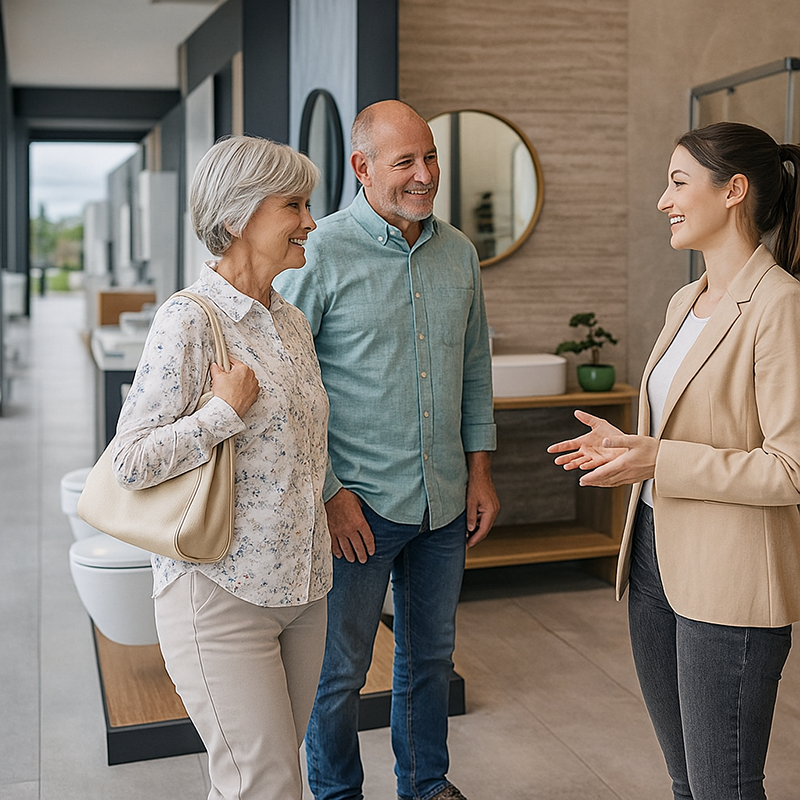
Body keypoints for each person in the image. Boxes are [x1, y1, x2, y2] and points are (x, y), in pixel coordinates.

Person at [548, 121, 800, 799]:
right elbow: (683, 427)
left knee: (724, 786)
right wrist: (630, 447)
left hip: (731, 575)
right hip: (656, 556)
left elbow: (790, 469)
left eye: (679, 182)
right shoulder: (683, 300)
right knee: (686, 782)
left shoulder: (780, 306)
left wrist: (660, 458)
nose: (663, 199)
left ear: (734, 191)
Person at [274, 99, 500, 800]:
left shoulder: (459, 252)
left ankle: (426, 785)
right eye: (406, 162)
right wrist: (331, 496)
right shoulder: (316, 254)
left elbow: (473, 368)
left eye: (430, 157)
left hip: (442, 503)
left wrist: (480, 473)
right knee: (338, 671)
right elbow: (288, 388)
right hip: (357, 508)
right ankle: (337, 794)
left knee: (429, 658)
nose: (425, 175)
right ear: (362, 168)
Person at [111, 135, 331, 800]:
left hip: (305, 588)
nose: (310, 222)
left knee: (264, 777)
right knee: (263, 783)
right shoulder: (188, 319)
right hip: (219, 594)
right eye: (294, 204)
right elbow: (130, 461)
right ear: (238, 216)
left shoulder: (287, 321)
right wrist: (218, 415)